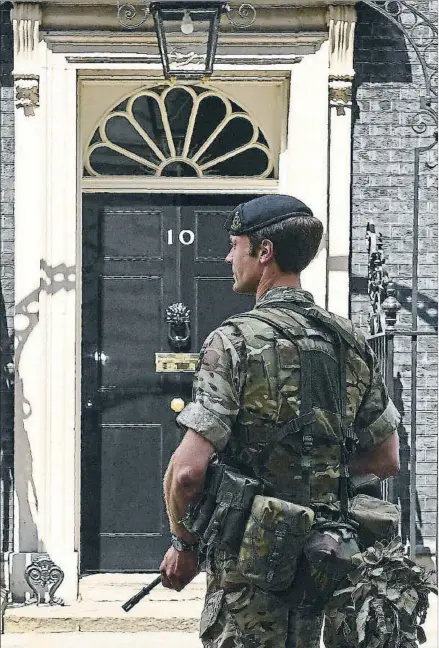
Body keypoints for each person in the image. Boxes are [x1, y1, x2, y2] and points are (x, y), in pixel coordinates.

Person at [160, 194, 400, 648]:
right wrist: (319, 477)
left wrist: (184, 545)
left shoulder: (232, 342)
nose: (228, 257)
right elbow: (386, 458)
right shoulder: (351, 341)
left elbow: (188, 473)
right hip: (334, 563)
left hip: (251, 575)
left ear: (263, 251)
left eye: (235, 245)